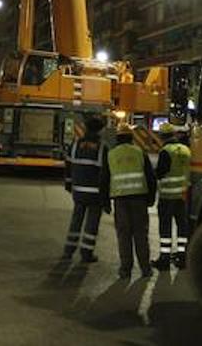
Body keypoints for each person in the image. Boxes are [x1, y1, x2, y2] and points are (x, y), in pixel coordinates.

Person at [108, 123, 156, 278]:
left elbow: (104, 179)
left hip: (120, 201)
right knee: (140, 234)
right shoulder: (139, 152)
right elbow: (150, 178)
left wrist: (105, 202)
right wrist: (151, 198)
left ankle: (125, 270)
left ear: (118, 137)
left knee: (124, 235)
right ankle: (145, 269)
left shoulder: (111, 154)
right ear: (131, 137)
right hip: (139, 199)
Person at [62, 114, 108, 262]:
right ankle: (86, 253)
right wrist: (106, 196)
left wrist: (69, 183)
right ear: (100, 130)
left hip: (78, 191)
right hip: (95, 193)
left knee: (76, 220)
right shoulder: (102, 148)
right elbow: (105, 173)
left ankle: (68, 251)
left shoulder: (75, 144)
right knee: (91, 224)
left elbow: (68, 165)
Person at [152, 123, 191, 269]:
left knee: (166, 228)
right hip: (182, 196)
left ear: (162, 137)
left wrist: (152, 174)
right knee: (182, 227)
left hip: (168, 197)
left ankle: (164, 258)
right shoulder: (186, 150)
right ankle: (182, 257)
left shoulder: (166, 151)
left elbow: (161, 172)